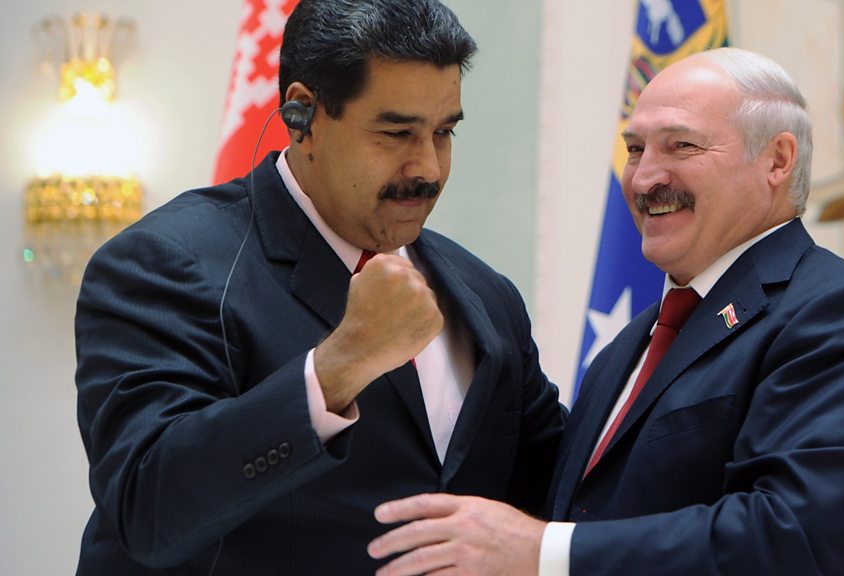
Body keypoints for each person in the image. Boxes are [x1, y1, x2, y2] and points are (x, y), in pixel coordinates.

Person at [367, 47, 844, 575]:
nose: (644, 179)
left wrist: (541, 550)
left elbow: (794, 538)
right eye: (636, 149)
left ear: (777, 160)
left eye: (681, 146)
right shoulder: (628, 347)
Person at [73, 1, 565, 574]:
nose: (429, 167)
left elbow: (563, 490)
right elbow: (146, 507)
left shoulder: (485, 294)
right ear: (303, 115)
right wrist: (340, 365)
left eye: (443, 132)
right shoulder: (165, 262)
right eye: (396, 133)